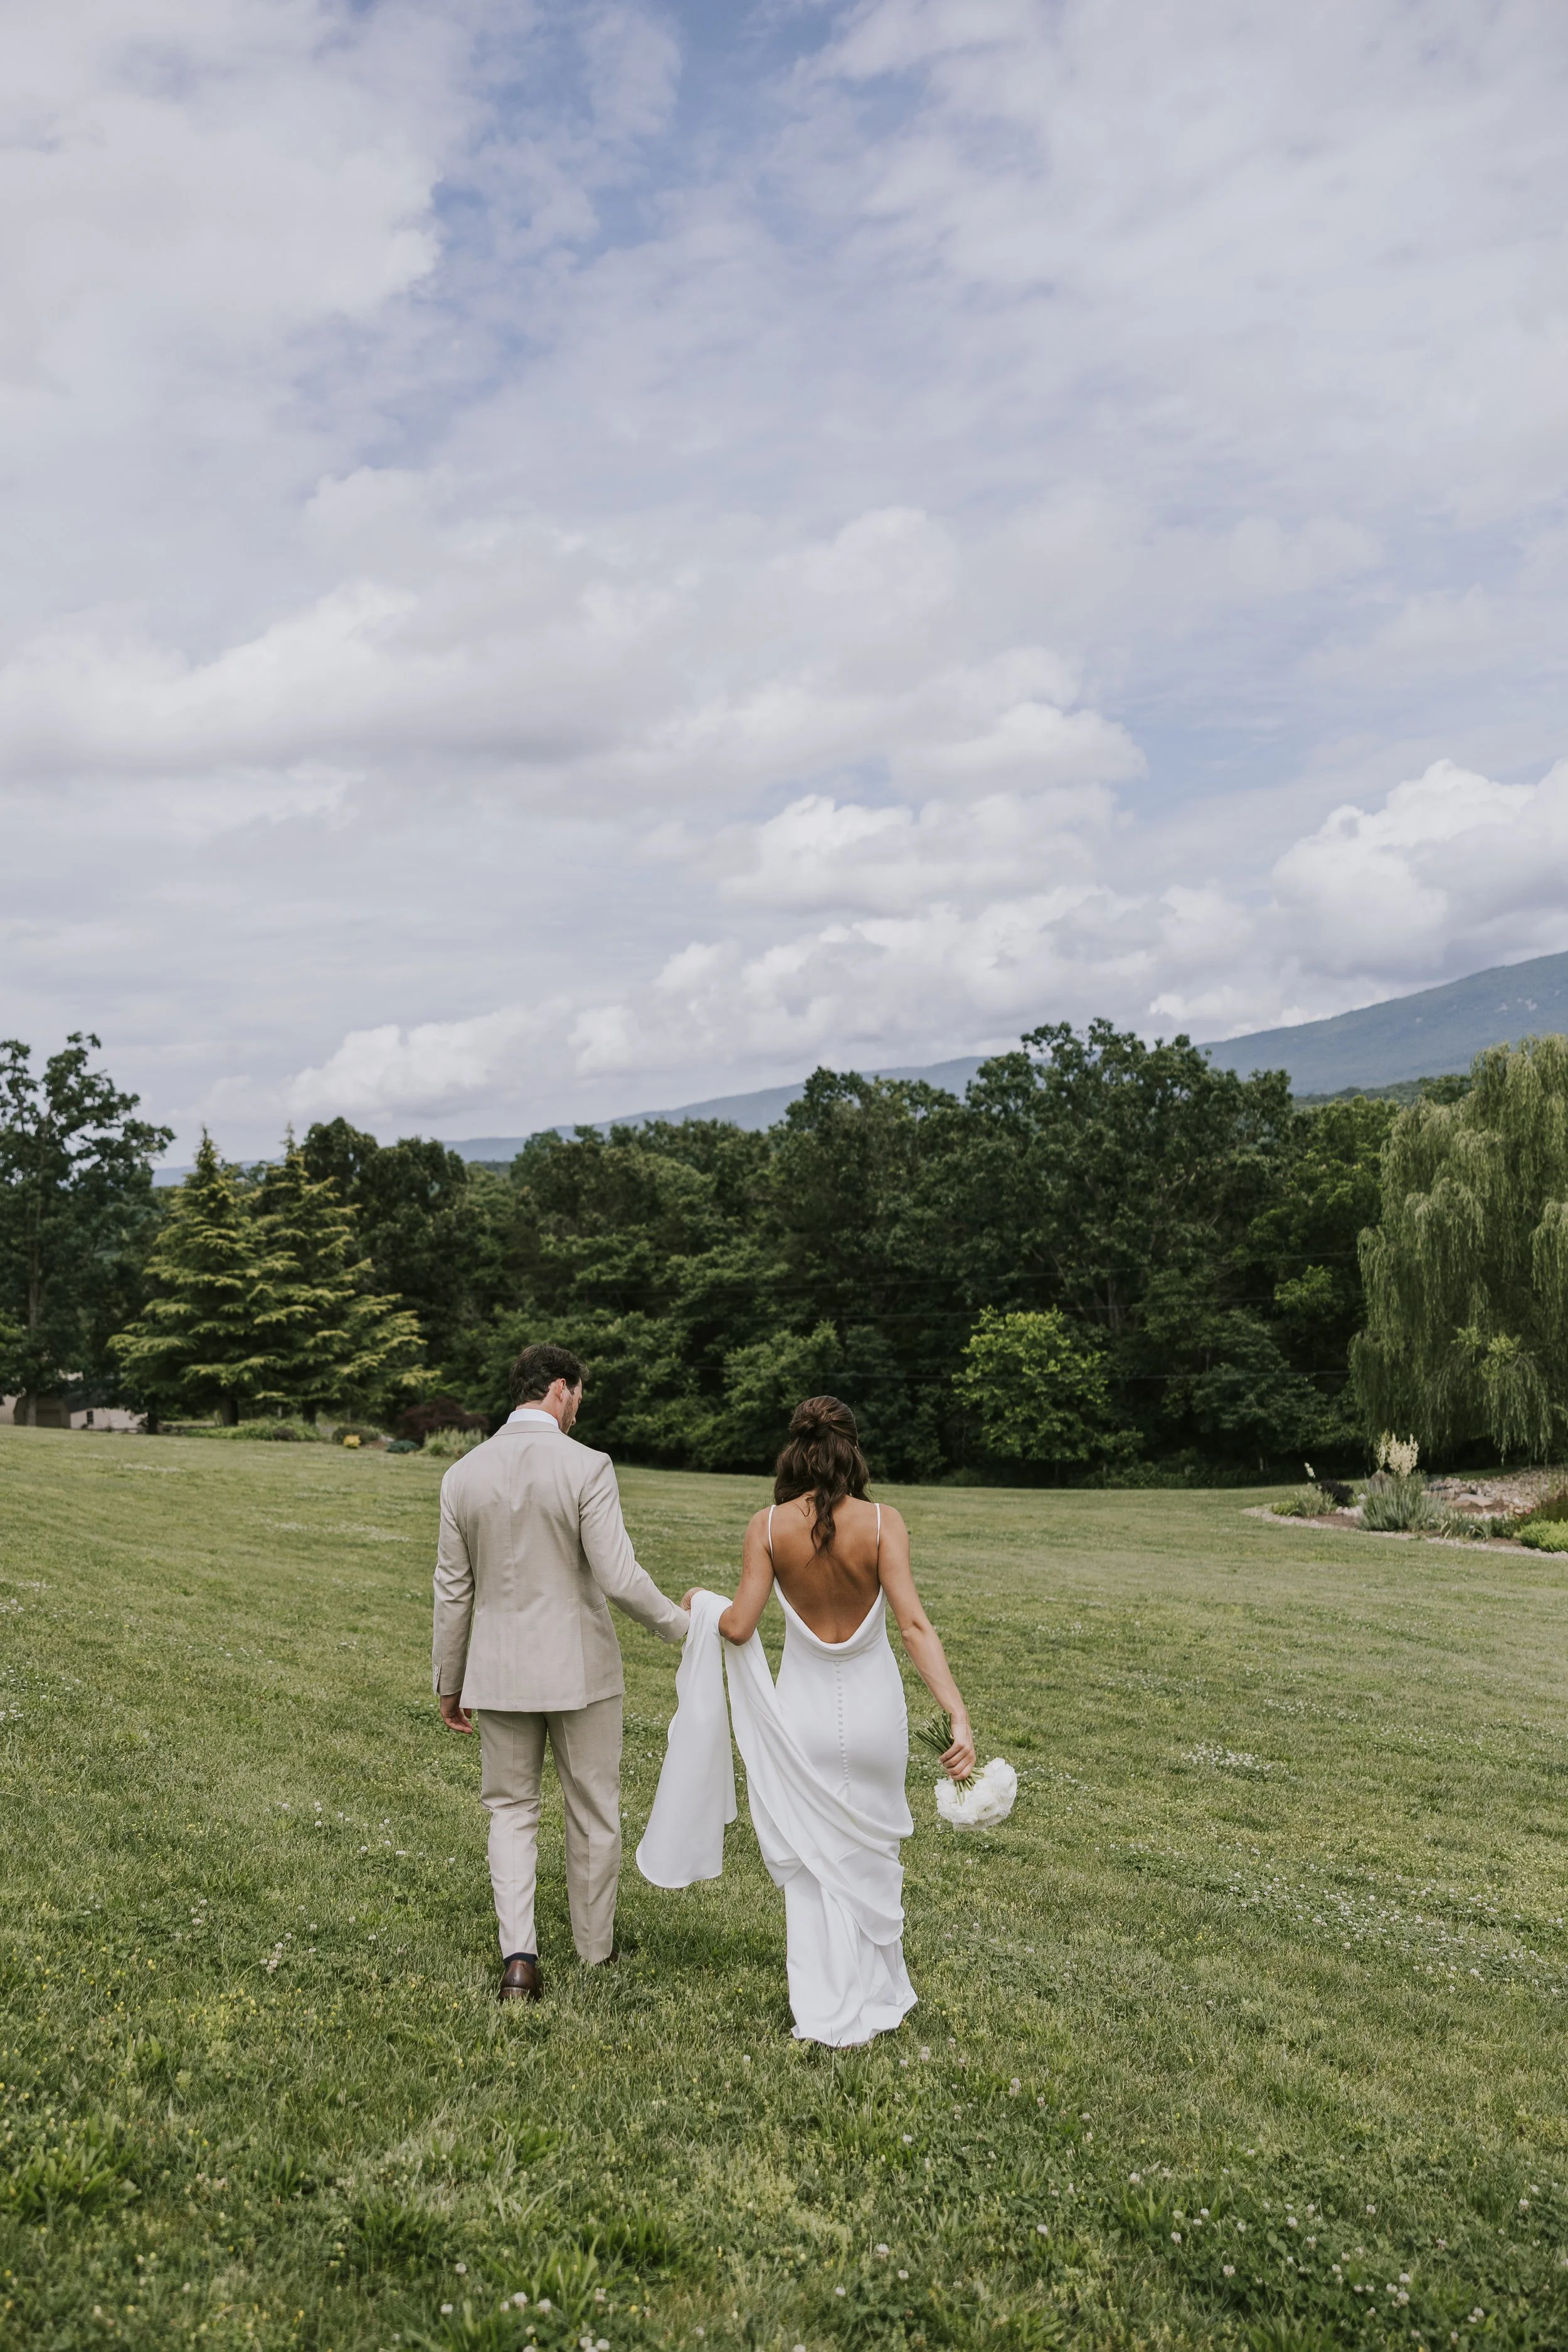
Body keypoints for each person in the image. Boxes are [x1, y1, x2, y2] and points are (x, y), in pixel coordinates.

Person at [640, 1394, 973, 2046]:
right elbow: (913, 1625)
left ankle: (823, 2001)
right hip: (877, 1718)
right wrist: (956, 1714)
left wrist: (699, 1602)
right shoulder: (883, 1523)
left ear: (795, 1451)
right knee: (873, 1852)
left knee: (814, 1863)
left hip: (804, 1719)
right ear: (852, 1451)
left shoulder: (766, 1527)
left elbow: (736, 1627)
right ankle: (877, 1993)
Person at [432, 1342, 689, 2001]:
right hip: (580, 1672)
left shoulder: (463, 1474)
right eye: (580, 1393)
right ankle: (593, 1951)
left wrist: (449, 1681)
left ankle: (519, 1959)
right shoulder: (587, 1466)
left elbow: (452, 1591)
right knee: (593, 1811)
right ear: (559, 1389)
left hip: (498, 1672)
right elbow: (620, 1576)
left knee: (511, 1811)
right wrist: (681, 1627)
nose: (581, 1406)